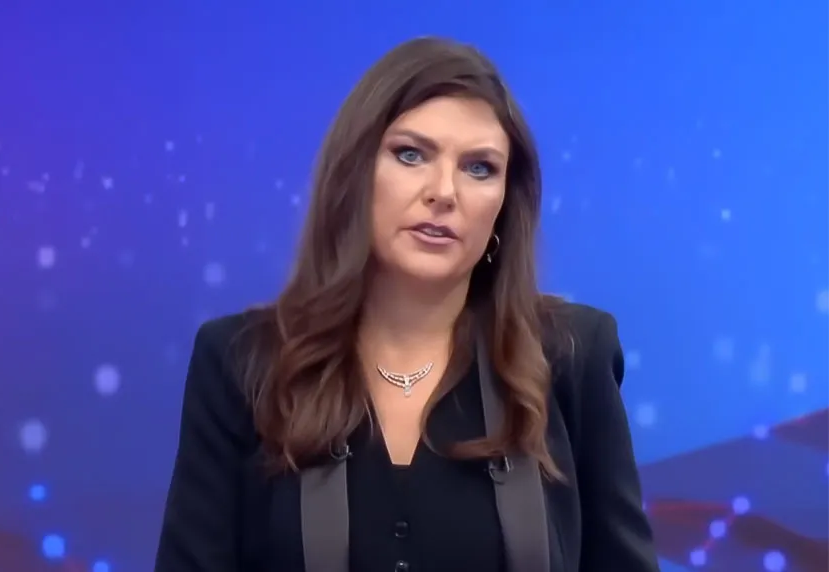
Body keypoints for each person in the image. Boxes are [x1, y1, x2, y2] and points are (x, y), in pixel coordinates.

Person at [154, 37, 660, 572]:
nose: (444, 192)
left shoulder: (571, 357)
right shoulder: (242, 362)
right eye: (411, 154)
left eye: (479, 168)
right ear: (354, 174)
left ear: (504, 205)